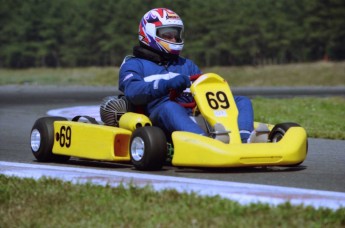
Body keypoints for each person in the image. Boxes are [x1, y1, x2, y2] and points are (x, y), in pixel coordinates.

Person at [119, 8, 255, 142]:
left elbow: (204, 91)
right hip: (158, 120)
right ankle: (205, 143)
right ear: (149, 32)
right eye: (168, 35)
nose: (173, 39)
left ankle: (243, 138)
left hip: (192, 114)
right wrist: (165, 85)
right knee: (170, 107)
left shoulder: (186, 65)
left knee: (241, 101)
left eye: (176, 35)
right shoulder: (134, 64)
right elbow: (133, 92)